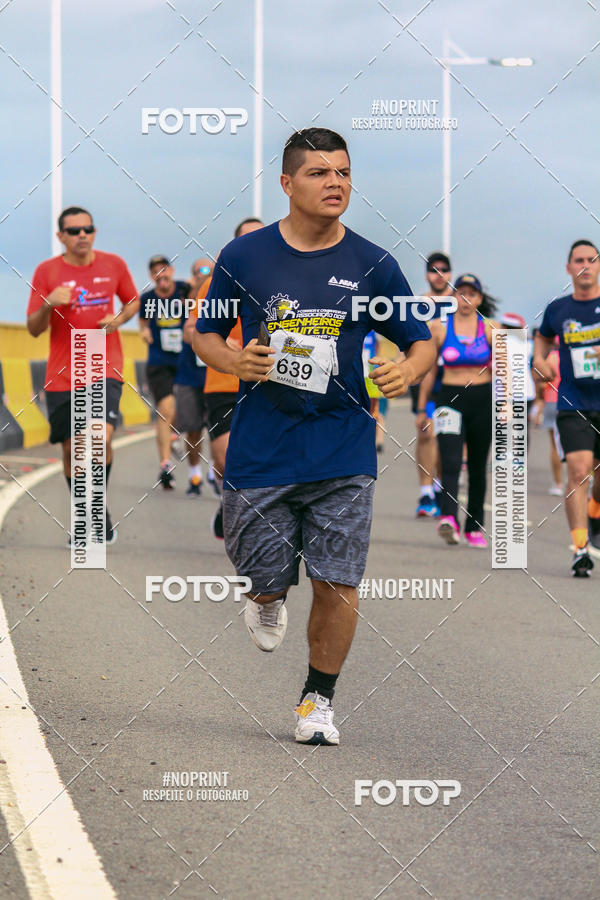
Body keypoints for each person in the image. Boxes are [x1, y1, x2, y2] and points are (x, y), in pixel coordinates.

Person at [194, 127, 434, 745]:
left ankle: (317, 703)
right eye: (320, 173)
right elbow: (204, 333)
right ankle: (267, 594)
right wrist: (231, 361)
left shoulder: (373, 263)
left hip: (343, 444)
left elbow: (420, 340)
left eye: (344, 173)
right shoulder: (245, 257)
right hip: (263, 445)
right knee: (264, 574)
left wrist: (405, 369)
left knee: (338, 577)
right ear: (287, 183)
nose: (336, 183)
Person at [26, 206, 139, 543]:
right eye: (74, 231)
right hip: (63, 372)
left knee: (97, 439)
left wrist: (118, 320)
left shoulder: (114, 264)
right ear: (61, 236)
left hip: (103, 363)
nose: (82, 236)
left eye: (88, 229)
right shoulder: (46, 272)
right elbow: (33, 328)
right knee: (71, 450)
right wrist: (48, 303)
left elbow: (133, 301)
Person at [185, 219, 264, 537]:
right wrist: (221, 344)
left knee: (260, 459)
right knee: (224, 457)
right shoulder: (217, 282)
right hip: (224, 381)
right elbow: (192, 329)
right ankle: (228, 498)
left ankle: (252, 513)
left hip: (269, 383)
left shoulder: (286, 280)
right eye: (248, 239)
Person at [418, 274, 499, 548]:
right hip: (449, 399)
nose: (466, 300)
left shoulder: (490, 328)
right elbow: (429, 370)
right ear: (454, 297)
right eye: (461, 293)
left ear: (479, 299)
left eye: (471, 294)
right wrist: (421, 408)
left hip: (482, 399)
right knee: (450, 460)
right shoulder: (439, 328)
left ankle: (474, 527)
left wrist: (506, 405)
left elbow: (504, 371)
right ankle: (449, 518)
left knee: (477, 465)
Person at [534, 239, 600, 571]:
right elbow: (543, 337)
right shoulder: (558, 309)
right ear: (569, 267)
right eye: (579, 260)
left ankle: (595, 512)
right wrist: (539, 358)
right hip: (573, 402)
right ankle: (580, 548)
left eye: (592, 259)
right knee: (578, 472)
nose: (585, 265)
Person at [139, 255, 188, 489]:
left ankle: (175, 433)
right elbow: (142, 321)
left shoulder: (184, 290)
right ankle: (165, 465)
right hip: (159, 361)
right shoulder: (148, 298)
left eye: (165, 270)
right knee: (165, 409)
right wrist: (145, 332)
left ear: (172, 271)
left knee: (182, 409)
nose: (162, 275)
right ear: (152, 276)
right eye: (156, 271)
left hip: (185, 359)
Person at [413, 252, 454, 517]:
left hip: (453, 380)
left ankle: (440, 485)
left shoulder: (461, 302)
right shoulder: (419, 304)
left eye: (443, 270)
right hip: (425, 377)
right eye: (433, 270)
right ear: (427, 274)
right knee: (426, 432)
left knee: (448, 437)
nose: (438, 275)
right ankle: (426, 492)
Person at [176, 259, 214, 495]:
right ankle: (195, 474)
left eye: (209, 272)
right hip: (190, 374)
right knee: (193, 429)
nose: (205, 276)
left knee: (218, 428)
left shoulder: (221, 297)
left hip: (216, 374)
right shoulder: (185, 300)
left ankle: (215, 471)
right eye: (200, 271)